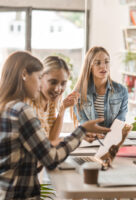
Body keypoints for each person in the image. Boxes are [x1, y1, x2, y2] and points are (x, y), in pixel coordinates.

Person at [0, 51, 110, 199]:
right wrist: (81, 131)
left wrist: (78, 134)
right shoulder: (23, 111)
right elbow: (50, 158)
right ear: (24, 75)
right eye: (39, 78)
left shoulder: (8, 107)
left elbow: (42, 146)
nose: (39, 85)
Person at [73, 46, 128, 142]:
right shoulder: (79, 93)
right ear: (90, 66)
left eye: (106, 62)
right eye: (98, 63)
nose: (103, 66)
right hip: (91, 141)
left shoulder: (122, 91)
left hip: (113, 141)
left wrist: (109, 136)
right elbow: (83, 123)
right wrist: (95, 134)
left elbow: (120, 120)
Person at [25, 56, 79, 145]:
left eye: (63, 83)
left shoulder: (50, 103)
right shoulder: (29, 104)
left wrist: (62, 109)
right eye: (53, 82)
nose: (58, 89)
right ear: (40, 78)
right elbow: (41, 146)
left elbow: (51, 140)